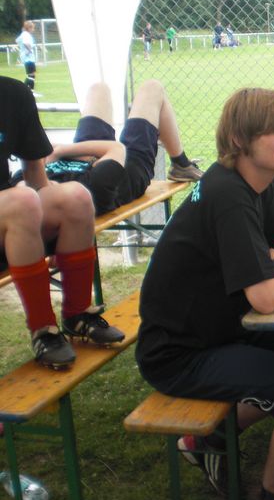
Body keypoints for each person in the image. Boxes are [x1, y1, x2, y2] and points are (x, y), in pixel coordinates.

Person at [135, 87, 274, 500]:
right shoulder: (228, 194)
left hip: (221, 331)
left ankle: (209, 442)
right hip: (180, 353)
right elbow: (267, 297)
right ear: (240, 139)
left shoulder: (252, 185)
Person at [1, 76, 123, 370]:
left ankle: (78, 314)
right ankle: (43, 330)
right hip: (11, 208)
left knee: (76, 197)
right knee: (22, 201)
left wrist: (52, 202)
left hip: (9, 213)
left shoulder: (12, 93)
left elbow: (35, 173)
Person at [11, 80, 203, 215]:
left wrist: (60, 154)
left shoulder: (30, 181)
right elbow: (115, 149)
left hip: (90, 157)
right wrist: (60, 151)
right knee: (152, 89)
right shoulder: (86, 190)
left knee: (98, 89)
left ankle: (181, 164)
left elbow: (29, 174)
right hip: (127, 166)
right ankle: (180, 164)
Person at [15, 20, 40, 96]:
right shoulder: (26, 35)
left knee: (31, 75)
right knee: (31, 75)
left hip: (26, 57)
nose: (33, 29)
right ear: (29, 28)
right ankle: (27, 91)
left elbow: (16, 40)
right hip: (28, 57)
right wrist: (29, 50)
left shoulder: (23, 34)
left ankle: (29, 91)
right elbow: (26, 43)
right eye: (32, 28)